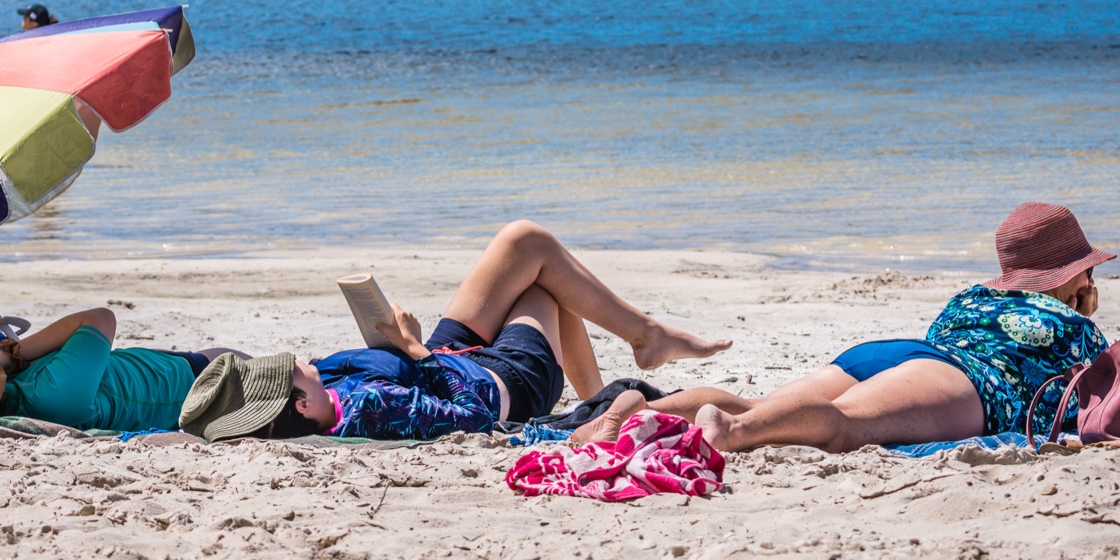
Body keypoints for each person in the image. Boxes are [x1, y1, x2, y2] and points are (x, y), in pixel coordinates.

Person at [572, 202, 1113, 454]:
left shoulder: (970, 298)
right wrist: (1082, 312)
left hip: (894, 353)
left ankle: (637, 412)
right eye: (1088, 268)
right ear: (1073, 276)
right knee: (847, 425)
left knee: (757, 402)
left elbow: (942, 342)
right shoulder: (1074, 326)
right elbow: (1095, 396)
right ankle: (731, 436)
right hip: (964, 381)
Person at [174, 220, 732, 443]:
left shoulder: (328, 398)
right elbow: (471, 417)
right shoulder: (370, 408)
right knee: (541, 274)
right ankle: (641, 345)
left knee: (520, 244)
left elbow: (406, 379)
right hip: (506, 379)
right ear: (299, 407)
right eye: (293, 371)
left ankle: (628, 357)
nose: (302, 362)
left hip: (448, 355)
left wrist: (400, 347)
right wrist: (415, 352)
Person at [0, 306, 245, 433]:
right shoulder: (52, 395)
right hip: (194, 381)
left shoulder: (25, 389)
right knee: (287, 372)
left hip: (160, 372)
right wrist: (13, 354)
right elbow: (101, 318)